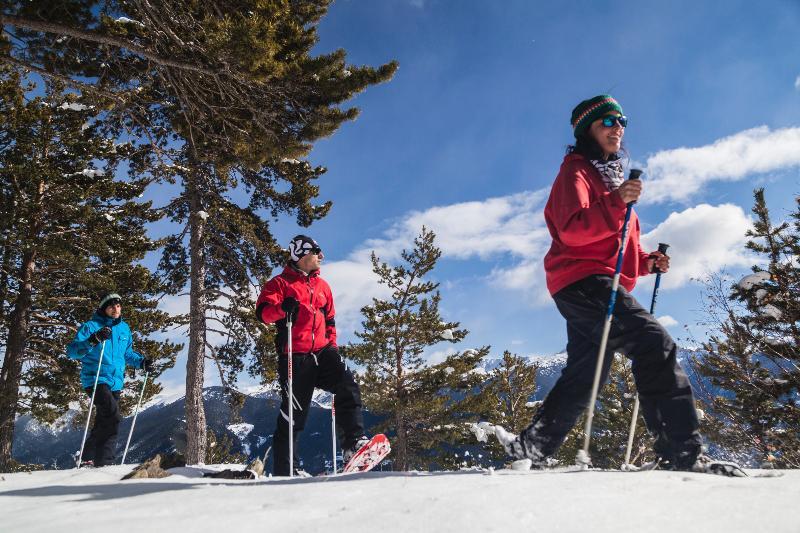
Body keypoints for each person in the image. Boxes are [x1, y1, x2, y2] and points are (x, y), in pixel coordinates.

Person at [498, 95, 705, 471]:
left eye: (622, 120)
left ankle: (531, 449)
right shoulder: (575, 174)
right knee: (654, 344)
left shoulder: (607, 181)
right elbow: (573, 231)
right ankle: (682, 455)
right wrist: (615, 202)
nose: (618, 126)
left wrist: (645, 262)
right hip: (583, 280)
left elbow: (616, 245)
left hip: (589, 280)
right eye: (607, 121)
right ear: (587, 131)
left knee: (586, 374)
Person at [256, 235, 368, 476]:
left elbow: (330, 321)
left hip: (324, 351)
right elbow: (264, 314)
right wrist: (282, 308)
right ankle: (288, 471)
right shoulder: (279, 284)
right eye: (317, 251)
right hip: (295, 356)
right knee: (294, 415)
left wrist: (333, 347)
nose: (322, 256)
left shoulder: (323, 286)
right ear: (301, 254)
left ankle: (353, 444)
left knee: (348, 384)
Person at [67, 293, 152, 466]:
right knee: (113, 417)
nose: (116, 308)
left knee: (104, 421)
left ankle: (86, 457)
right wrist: (93, 339)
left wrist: (142, 362)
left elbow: (127, 354)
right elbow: (72, 352)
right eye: (111, 305)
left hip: (116, 382)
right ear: (104, 308)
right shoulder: (91, 326)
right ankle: (105, 462)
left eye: (118, 305)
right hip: (95, 379)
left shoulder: (124, 329)